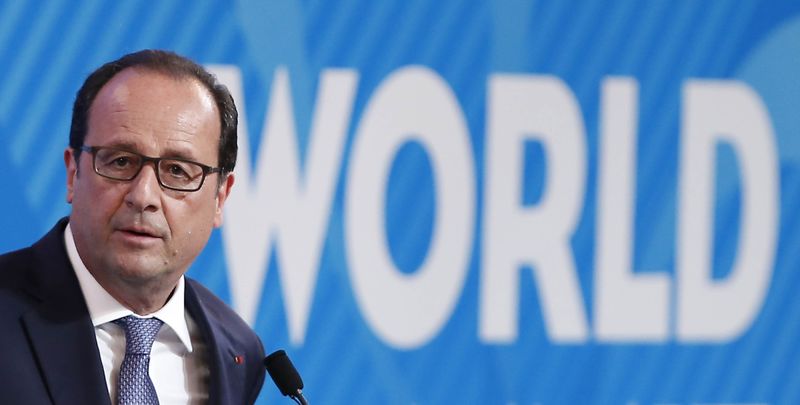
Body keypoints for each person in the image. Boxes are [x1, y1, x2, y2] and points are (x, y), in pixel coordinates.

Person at [0, 50, 265, 404]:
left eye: (177, 171)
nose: (143, 196)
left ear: (220, 198)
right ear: (72, 172)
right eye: (120, 161)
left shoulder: (238, 349)